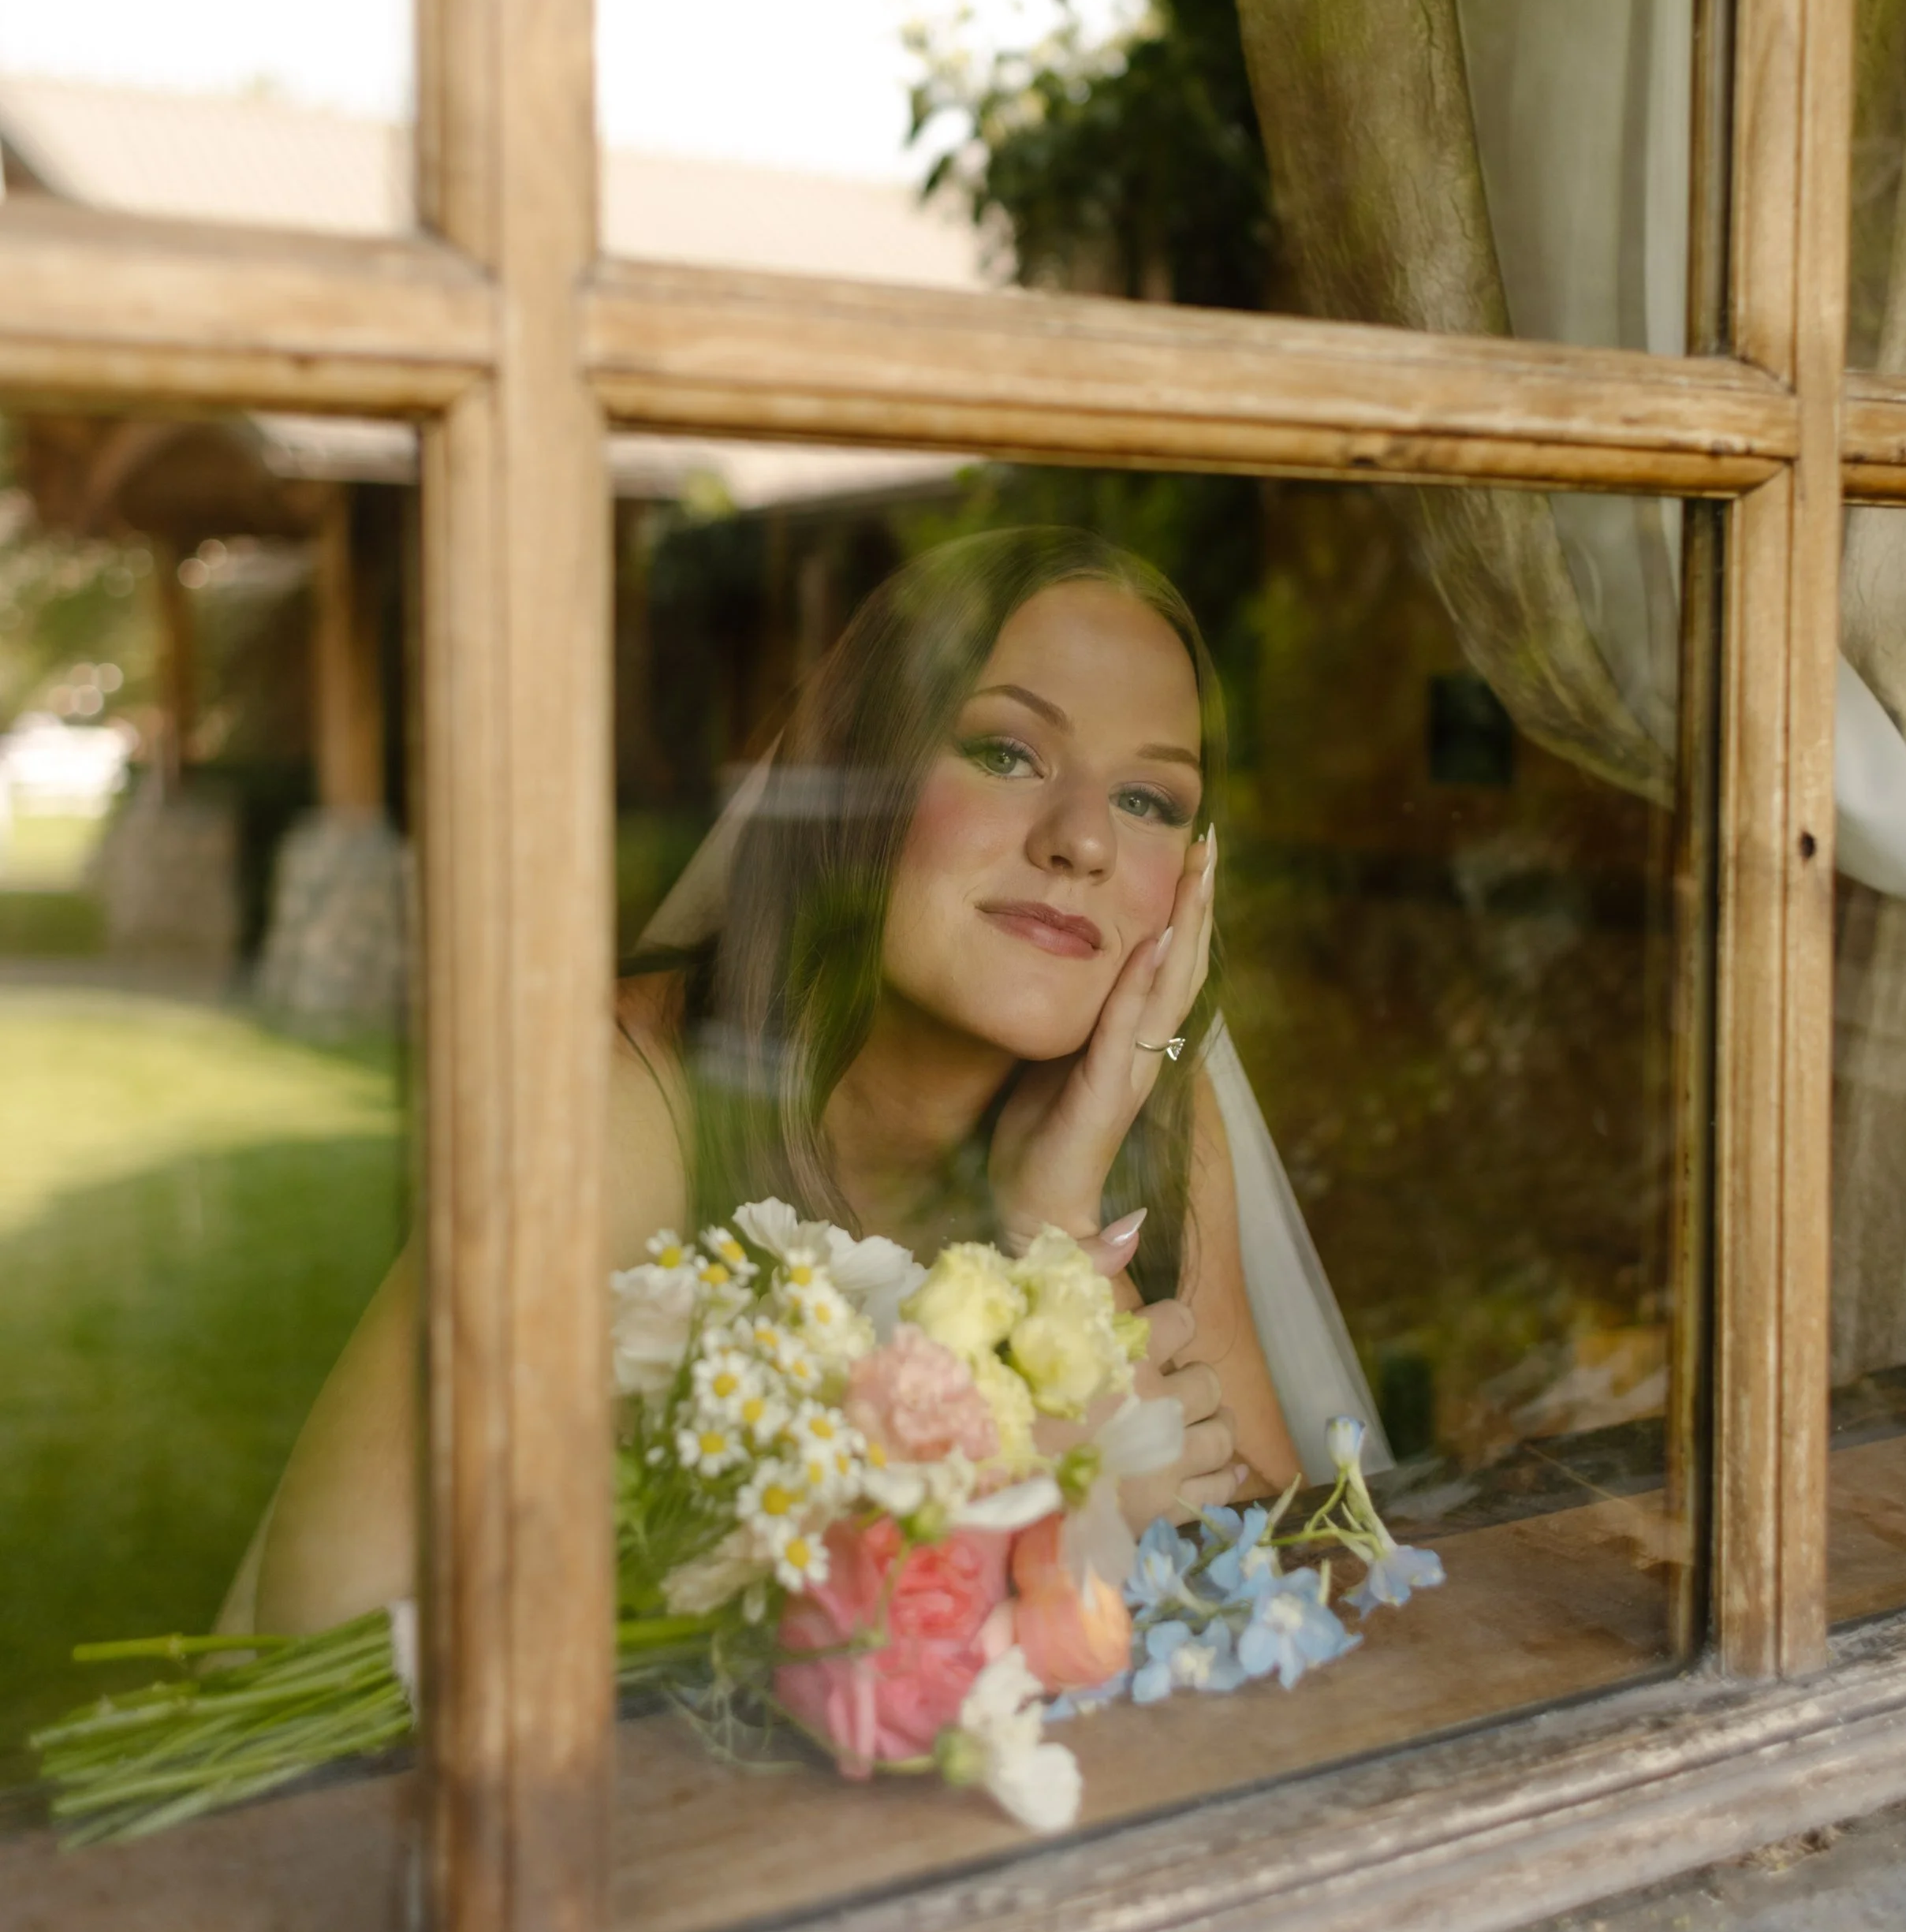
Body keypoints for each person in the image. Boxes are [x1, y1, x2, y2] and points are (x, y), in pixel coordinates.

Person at [229, 528, 1308, 1635]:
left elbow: (1293, 1567)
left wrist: (1062, 1219)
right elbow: (326, 1614)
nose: (1082, 838)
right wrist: (1014, 1499)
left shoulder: (1147, 1097)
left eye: (1150, 802)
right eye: (1005, 752)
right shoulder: (623, 1104)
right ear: (855, 775)